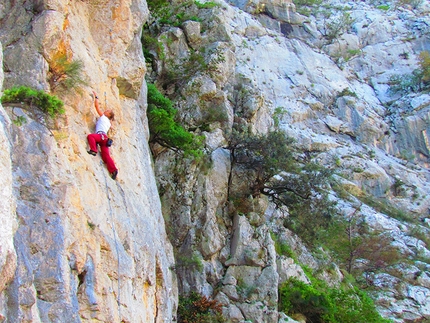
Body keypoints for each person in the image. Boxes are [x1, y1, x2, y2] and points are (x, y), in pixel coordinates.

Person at [87, 91, 118, 180]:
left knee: (91, 136)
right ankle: (114, 170)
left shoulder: (104, 117)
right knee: (106, 156)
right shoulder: (108, 123)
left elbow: (96, 107)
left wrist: (96, 97)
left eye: (107, 111)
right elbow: (111, 124)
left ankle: (93, 150)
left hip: (101, 136)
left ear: (108, 115)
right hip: (105, 138)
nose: (105, 111)